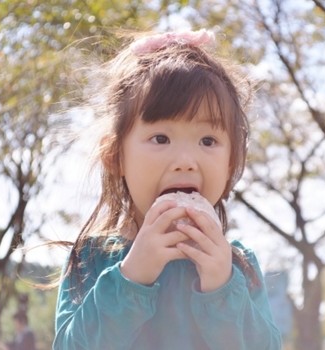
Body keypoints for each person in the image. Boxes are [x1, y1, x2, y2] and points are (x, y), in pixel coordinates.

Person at [53, 28, 282, 350]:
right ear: (115, 155)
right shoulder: (91, 259)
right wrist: (131, 278)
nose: (186, 161)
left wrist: (222, 287)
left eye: (208, 140)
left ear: (232, 162)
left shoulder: (238, 265)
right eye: (161, 138)